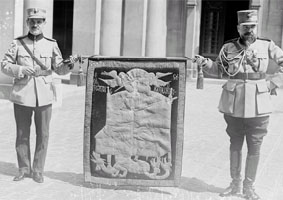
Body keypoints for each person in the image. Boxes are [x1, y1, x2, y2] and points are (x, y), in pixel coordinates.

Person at [194, 10, 283, 200]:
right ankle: (235, 184)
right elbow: (219, 70)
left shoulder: (267, 46)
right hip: (233, 103)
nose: (249, 31)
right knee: (235, 144)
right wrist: (204, 63)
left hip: (259, 104)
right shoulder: (228, 47)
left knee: (255, 146)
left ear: (256, 27)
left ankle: (249, 186)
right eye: (245, 27)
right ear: (238, 28)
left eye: (252, 27)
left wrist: (273, 83)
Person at [1, 8, 78, 183]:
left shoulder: (51, 44)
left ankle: (38, 170)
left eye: (39, 21)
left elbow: (59, 68)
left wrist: (69, 64)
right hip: (22, 93)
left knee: (43, 134)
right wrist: (19, 69)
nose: (35, 24)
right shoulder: (17, 44)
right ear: (27, 23)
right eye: (32, 21)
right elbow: (4, 64)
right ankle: (23, 168)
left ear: (44, 23)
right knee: (22, 133)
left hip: (44, 94)